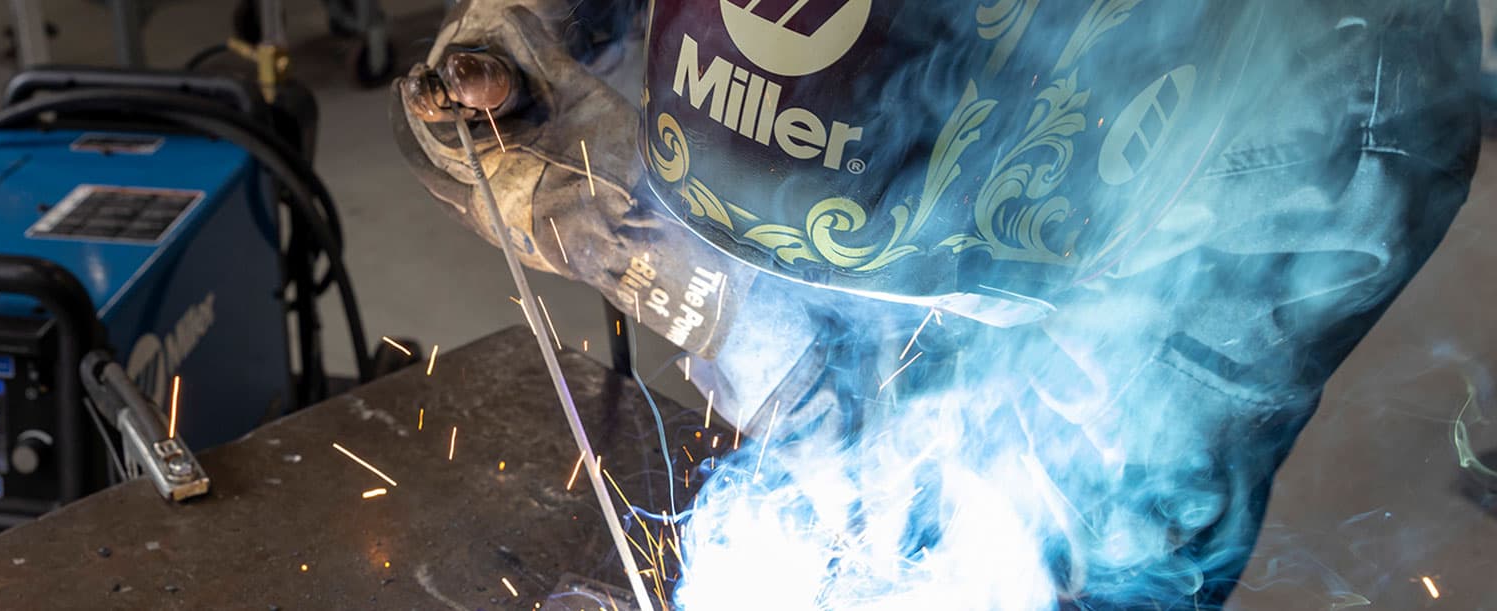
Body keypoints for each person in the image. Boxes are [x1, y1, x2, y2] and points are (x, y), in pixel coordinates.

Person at [393, 1, 1482, 607]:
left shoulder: (1301, 140)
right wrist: (530, 49)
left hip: (1273, 144)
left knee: (1103, 531)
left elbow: (1126, 448)